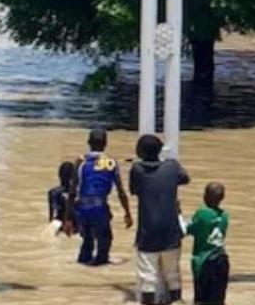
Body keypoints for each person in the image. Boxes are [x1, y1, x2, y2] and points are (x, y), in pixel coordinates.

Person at [130, 134, 191, 305]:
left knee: (147, 278)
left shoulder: (137, 170)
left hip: (147, 233)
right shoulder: (172, 167)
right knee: (173, 276)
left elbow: (134, 190)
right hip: (171, 232)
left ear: (140, 152)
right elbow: (185, 178)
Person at [75, 127, 133, 267]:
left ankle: (83, 264)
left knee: (87, 240)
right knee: (105, 239)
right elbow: (121, 191)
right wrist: (127, 213)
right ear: (106, 143)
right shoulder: (111, 162)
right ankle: (100, 263)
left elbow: (72, 190)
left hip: (82, 208)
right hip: (100, 207)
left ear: (88, 142)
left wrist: (68, 217)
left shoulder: (80, 161)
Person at [188, 182, 229, 305]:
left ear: (205, 197)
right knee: (218, 300)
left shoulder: (202, 214)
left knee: (201, 301)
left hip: (205, 262)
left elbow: (187, 229)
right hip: (222, 260)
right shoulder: (225, 216)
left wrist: (177, 213)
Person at [48, 161, 77, 237]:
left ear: (59, 175)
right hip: (75, 227)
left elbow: (53, 213)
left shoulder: (53, 192)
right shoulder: (78, 192)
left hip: (58, 226)